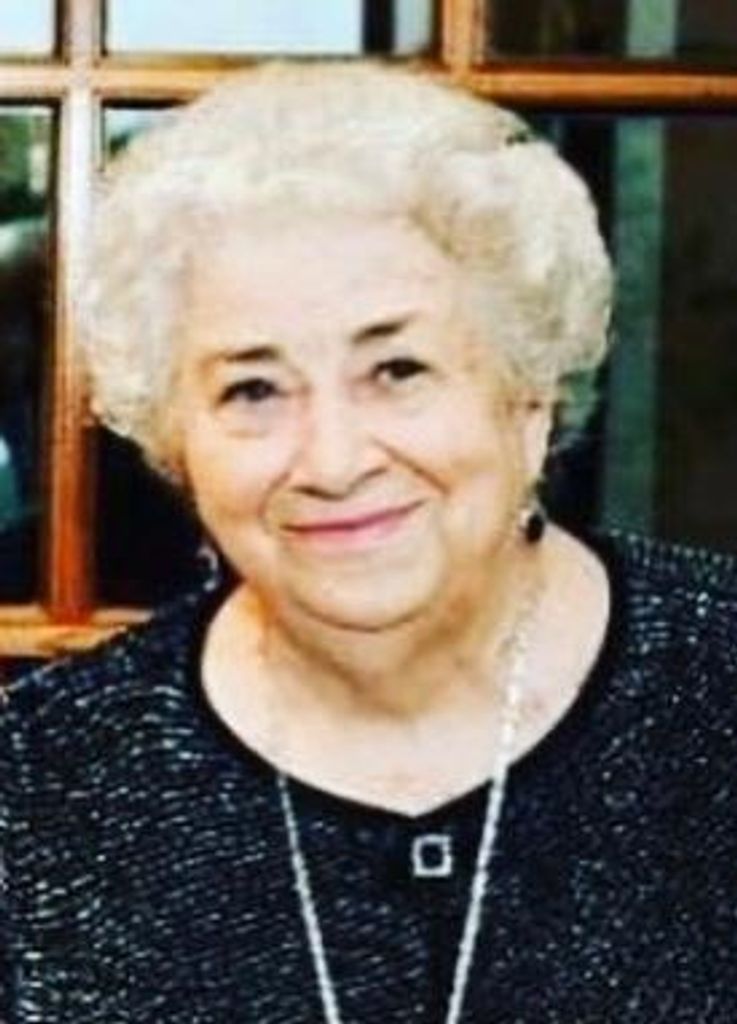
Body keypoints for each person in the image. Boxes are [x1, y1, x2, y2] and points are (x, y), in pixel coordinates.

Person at [1, 62, 736, 1024]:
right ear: (177, 446)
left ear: (527, 400)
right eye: (253, 390)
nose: (333, 460)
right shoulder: (40, 791)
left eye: (397, 369)